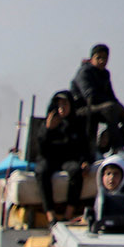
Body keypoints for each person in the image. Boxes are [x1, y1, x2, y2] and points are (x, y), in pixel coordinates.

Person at [34, 92, 91, 222]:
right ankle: (50, 215)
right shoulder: (47, 124)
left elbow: (84, 147)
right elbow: (41, 150)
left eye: (65, 104)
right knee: (41, 172)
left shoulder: (77, 124)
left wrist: (85, 161)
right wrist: (49, 129)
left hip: (69, 159)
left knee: (76, 171)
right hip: (49, 159)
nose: (62, 108)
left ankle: (68, 214)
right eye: (59, 105)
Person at [71, 43, 124, 155]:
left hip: (99, 108)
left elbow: (111, 96)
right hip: (82, 109)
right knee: (110, 108)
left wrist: (121, 109)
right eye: (98, 58)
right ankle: (116, 146)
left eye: (105, 58)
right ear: (92, 58)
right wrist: (111, 104)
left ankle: (118, 148)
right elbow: (90, 96)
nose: (102, 61)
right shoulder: (84, 72)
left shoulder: (105, 74)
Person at [85, 156, 124, 224]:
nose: (111, 178)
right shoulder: (100, 196)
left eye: (116, 174)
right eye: (108, 173)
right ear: (102, 176)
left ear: (123, 176)